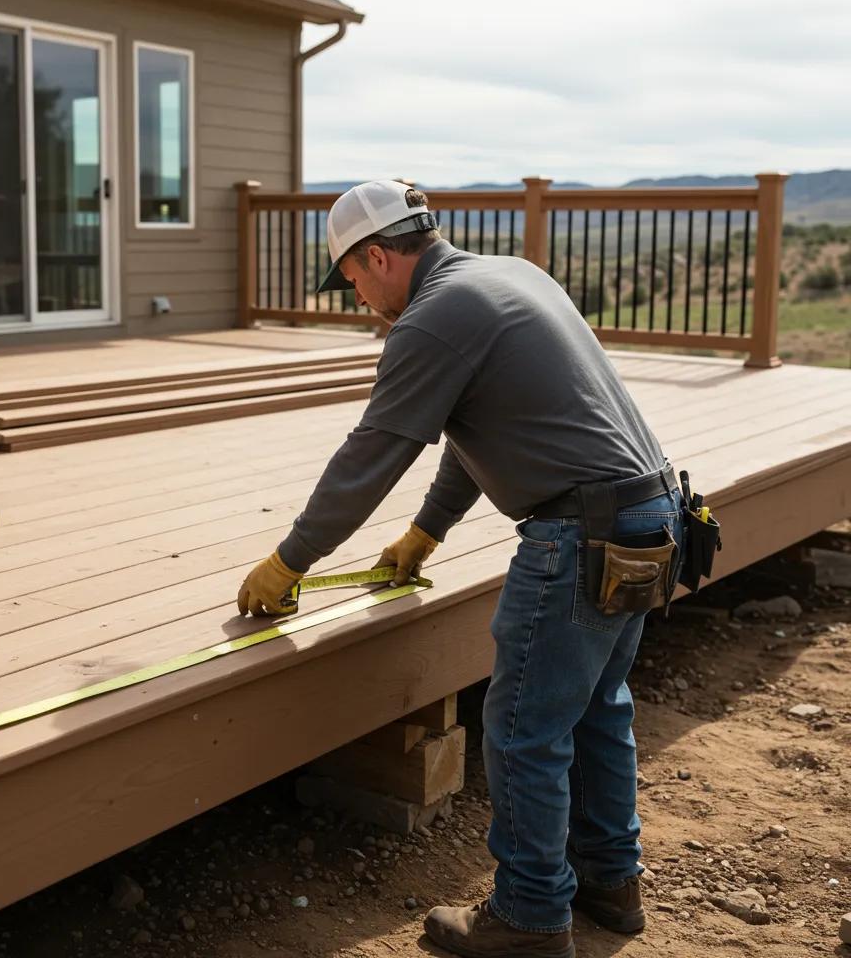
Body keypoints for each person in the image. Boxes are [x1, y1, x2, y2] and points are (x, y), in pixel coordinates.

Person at [237, 180, 685, 958]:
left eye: (352, 276)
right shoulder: (509, 276)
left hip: (579, 534)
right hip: (650, 516)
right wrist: (426, 533)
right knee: (596, 708)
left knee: (521, 732)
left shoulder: (432, 319)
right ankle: (611, 883)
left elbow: (373, 455)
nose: (357, 296)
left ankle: (530, 918)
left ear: (379, 256)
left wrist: (290, 560)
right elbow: (476, 431)